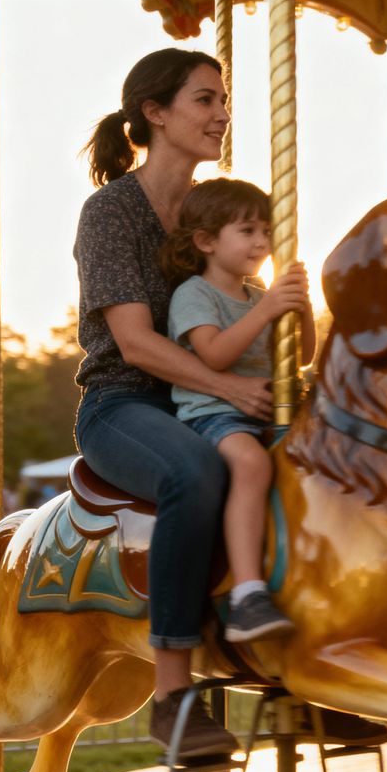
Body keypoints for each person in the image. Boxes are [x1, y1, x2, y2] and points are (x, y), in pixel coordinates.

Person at [73, 48, 387, 755]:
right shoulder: (113, 211)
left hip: (213, 398)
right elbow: (134, 341)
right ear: (154, 114)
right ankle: (174, 695)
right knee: (196, 473)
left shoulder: (222, 211)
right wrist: (229, 386)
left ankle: (312, 672)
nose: (222, 114)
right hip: (126, 401)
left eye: (223, 100)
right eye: (205, 100)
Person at [159, 178, 311, 642]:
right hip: (214, 415)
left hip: (266, 413)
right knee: (249, 463)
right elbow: (215, 356)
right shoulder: (195, 294)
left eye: (266, 230)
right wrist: (267, 312)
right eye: (247, 231)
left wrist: (301, 307)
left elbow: (302, 354)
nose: (262, 242)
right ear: (206, 241)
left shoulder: (259, 293)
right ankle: (247, 593)